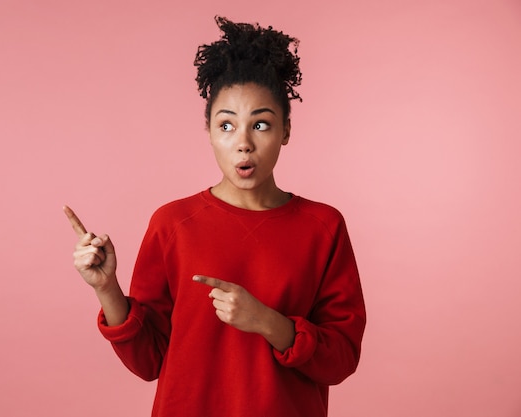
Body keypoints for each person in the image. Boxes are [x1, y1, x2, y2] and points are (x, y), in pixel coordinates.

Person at [64, 16, 366, 417]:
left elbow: (341, 359)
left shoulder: (323, 227)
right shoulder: (173, 224)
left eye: (261, 124)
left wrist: (267, 322)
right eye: (227, 125)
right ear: (208, 130)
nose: (243, 143)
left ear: (286, 131)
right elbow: (148, 361)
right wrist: (106, 289)